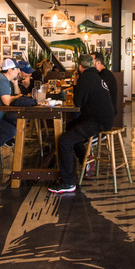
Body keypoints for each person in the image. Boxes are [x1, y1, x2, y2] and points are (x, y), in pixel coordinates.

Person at [48, 54, 114, 194]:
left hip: (97, 122)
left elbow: (78, 103)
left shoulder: (86, 78)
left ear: (79, 67)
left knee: (64, 141)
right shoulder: (95, 76)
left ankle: (68, 182)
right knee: (71, 127)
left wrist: (76, 82)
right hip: (102, 119)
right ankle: (85, 159)